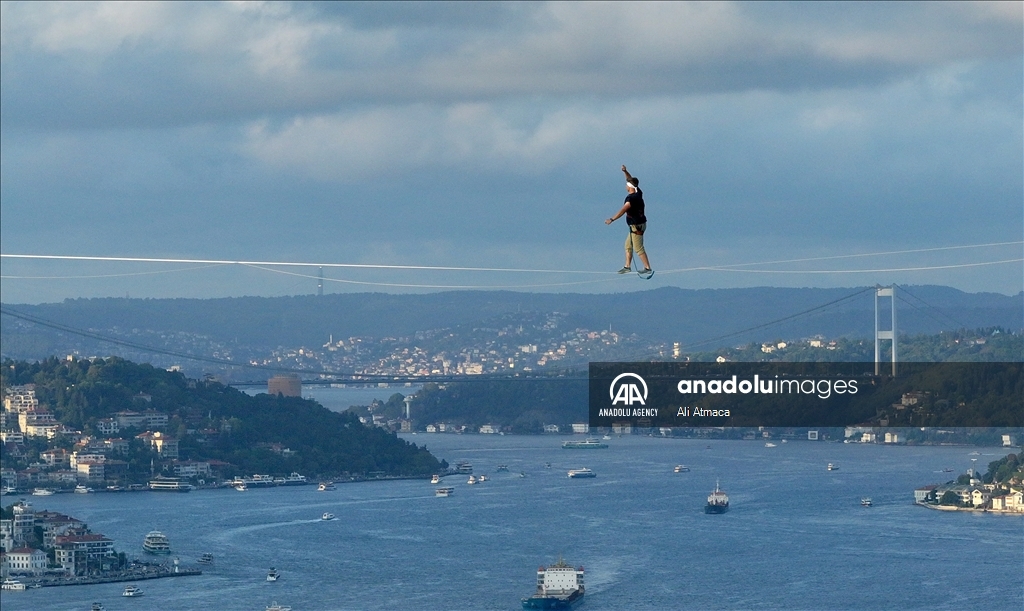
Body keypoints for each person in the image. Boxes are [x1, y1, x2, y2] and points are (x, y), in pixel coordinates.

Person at [605, 164, 652, 276]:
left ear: (629, 187)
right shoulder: (638, 192)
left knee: (638, 248)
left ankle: (647, 268)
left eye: (626, 185)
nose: (625, 186)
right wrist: (625, 171)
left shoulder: (631, 198)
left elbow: (623, 210)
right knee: (628, 245)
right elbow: (630, 179)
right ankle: (627, 266)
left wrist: (612, 219)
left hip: (637, 226)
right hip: (636, 225)